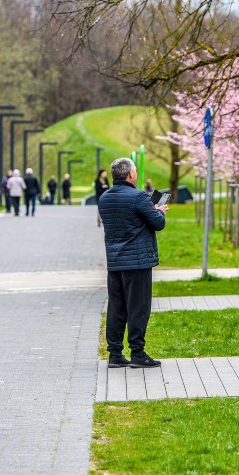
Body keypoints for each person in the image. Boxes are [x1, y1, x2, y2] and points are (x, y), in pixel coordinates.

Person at [98, 158, 168, 369]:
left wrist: (149, 209)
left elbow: (128, 219)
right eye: (135, 171)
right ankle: (137, 353)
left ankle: (115, 354)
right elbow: (158, 223)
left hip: (115, 262)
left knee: (116, 307)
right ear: (130, 174)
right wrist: (158, 211)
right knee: (138, 308)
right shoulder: (138, 196)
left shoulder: (104, 198)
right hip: (137, 262)